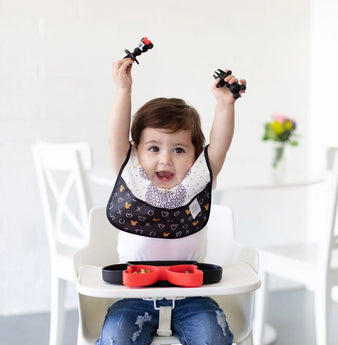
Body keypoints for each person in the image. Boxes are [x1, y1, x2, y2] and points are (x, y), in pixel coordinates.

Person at [96, 57, 246, 345]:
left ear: (195, 156)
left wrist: (225, 104)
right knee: (116, 336)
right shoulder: (131, 177)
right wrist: (123, 90)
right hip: (133, 295)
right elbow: (116, 140)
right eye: (153, 148)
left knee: (213, 337)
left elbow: (220, 146)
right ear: (136, 151)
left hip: (192, 296)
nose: (165, 159)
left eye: (179, 149)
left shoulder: (197, 180)